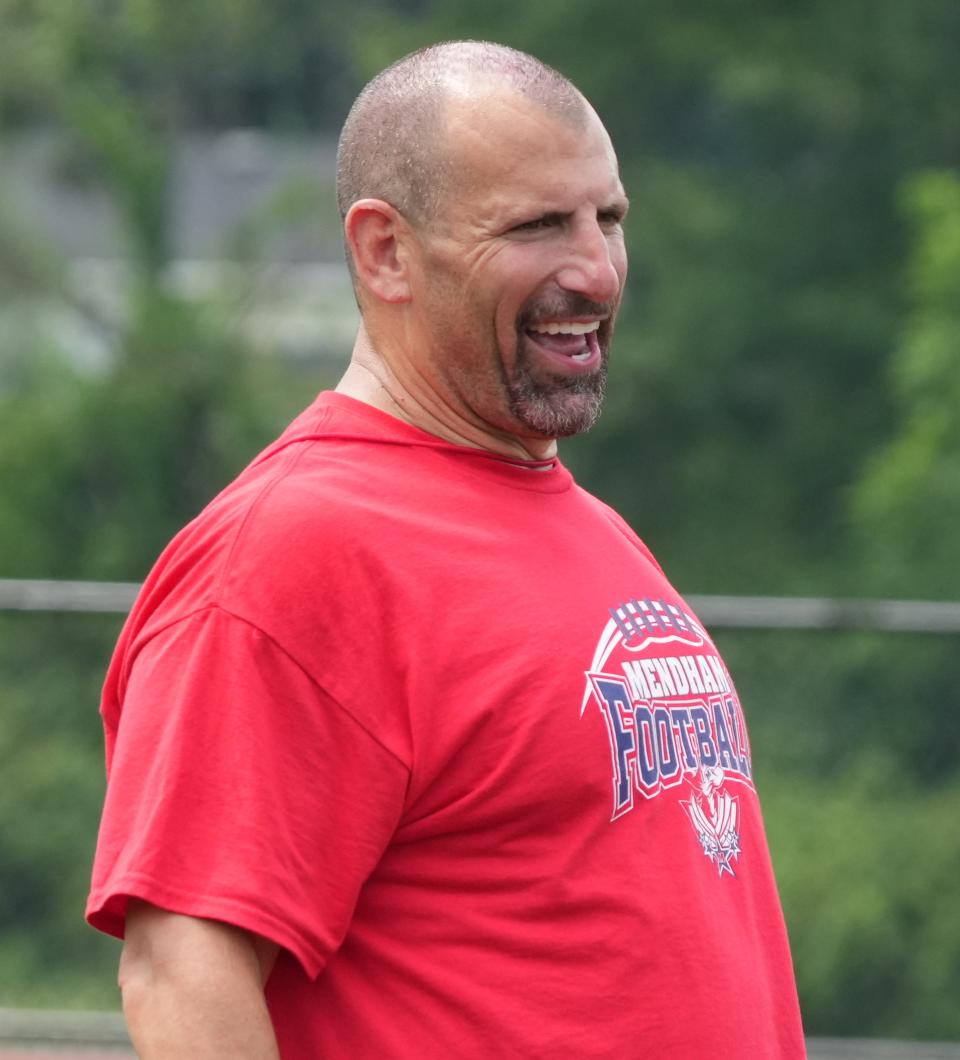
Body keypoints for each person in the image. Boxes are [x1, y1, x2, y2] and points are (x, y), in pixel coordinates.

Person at [87, 41, 806, 1058]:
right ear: (385, 251)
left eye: (609, 218)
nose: (595, 270)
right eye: (535, 226)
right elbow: (181, 967)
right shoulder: (291, 549)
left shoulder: (591, 529)